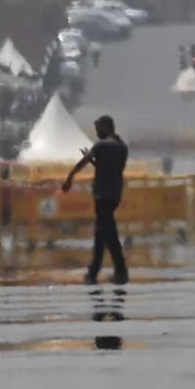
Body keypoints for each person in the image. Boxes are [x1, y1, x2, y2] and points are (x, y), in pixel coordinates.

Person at [64, 115, 130, 285]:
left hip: (102, 194)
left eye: (98, 129)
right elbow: (109, 169)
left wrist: (70, 177)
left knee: (108, 234)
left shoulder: (101, 145)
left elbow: (83, 163)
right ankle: (94, 272)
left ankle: (118, 271)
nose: (97, 133)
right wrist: (94, 160)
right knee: (102, 233)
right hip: (114, 194)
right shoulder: (122, 147)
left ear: (105, 127)